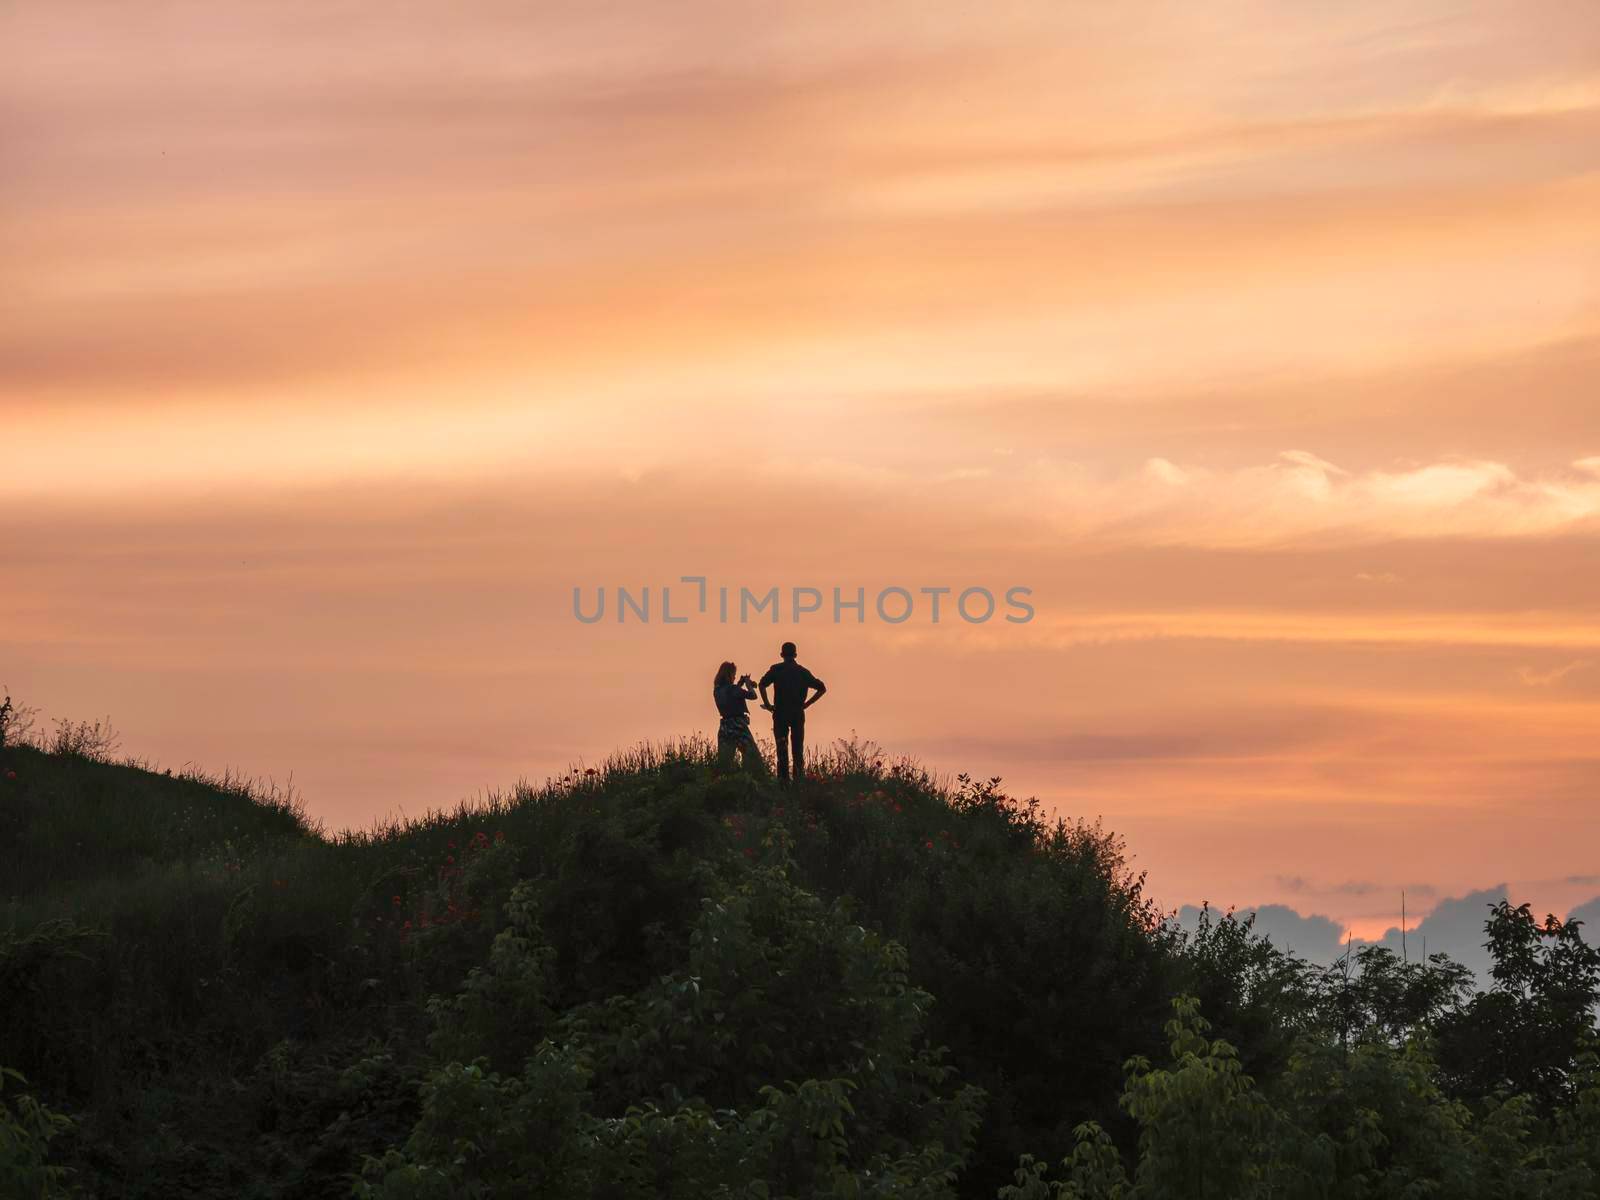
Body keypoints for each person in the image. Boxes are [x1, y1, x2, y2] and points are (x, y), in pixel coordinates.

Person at [759, 641, 826, 783]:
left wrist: (767, 705)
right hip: (797, 714)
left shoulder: (776, 670)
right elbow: (822, 688)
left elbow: (762, 684)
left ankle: (783, 783)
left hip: (780, 713)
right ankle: (798, 783)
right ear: (795, 655)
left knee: (781, 750)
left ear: (782, 655)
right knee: (797, 751)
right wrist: (806, 704)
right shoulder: (803, 672)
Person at [712, 661, 766, 775]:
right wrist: (748, 685)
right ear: (730, 674)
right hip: (738, 725)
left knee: (724, 761)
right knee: (753, 756)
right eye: (734, 674)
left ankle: (722, 783)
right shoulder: (733, 689)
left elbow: (730, 694)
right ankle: (754, 779)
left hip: (724, 727)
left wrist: (739, 684)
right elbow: (753, 696)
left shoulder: (717, 691)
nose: (735, 676)